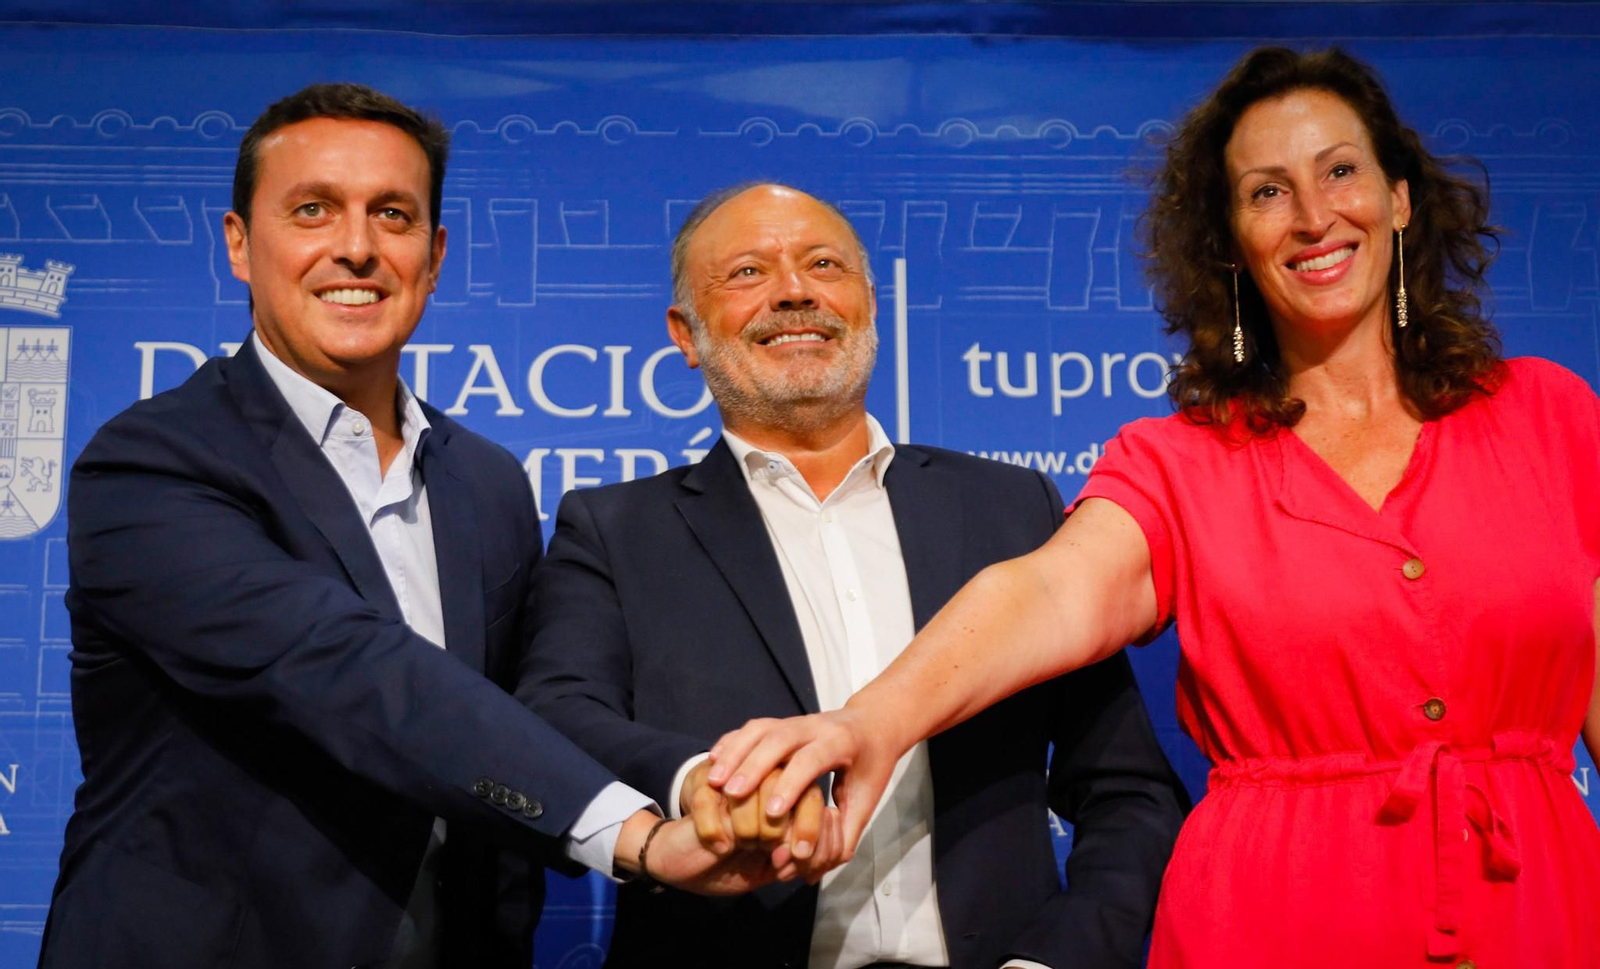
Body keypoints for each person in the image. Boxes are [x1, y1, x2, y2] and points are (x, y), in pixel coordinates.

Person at [706, 49, 1600, 967]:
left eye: (1340, 171)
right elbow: (1045, 595)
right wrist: (869, 723)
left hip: (1541, 908)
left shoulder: (1552, 416)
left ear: (1401, 198)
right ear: (1231, 239)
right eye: (1266, 192)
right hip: (1275, 917)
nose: (1314, 215)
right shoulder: (1182, 461)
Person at [38, 84, 817, 969]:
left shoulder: (485, 482)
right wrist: (635, 836)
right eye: (312, 210)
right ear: (239, 245)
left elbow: (532, 714)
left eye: (394, 215)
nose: (358, 248)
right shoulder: (152, 463)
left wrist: (702, 781)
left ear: (435, 254)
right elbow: (344, 668)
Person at [519, 181, 1188, 969]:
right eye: (747, 273)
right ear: (685, 333)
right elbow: (554, 720)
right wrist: (701, 780)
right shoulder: (615, 529)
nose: (794, 291)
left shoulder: (1012, 510)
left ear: (870, 303)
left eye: (823, 264)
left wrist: (1054, 960)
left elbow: (1130, 794)